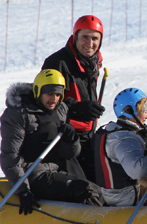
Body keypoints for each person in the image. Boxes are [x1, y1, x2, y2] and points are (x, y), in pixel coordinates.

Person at [0, 69, 104, 215]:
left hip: (57, 169)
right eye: (49, 94)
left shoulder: (61, 110)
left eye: (58, 95)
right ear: (38, 91)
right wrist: (22, 191)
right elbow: (10, 156)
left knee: (96, 190)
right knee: (87, 191)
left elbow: (70, 155)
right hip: (33, 174)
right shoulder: (18, 114)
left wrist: (71, 139)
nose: (54, 99)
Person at [42, 15, 106, 182]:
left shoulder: (93, 63)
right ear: (75, 36)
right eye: (85, 37)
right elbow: (44, 102)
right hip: (64, 137)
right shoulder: (57, 62)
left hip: (87, 135)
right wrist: (77, 108)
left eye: (95, 38)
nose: (90, 43)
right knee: (83, 185)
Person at [93, 88, 147, 206]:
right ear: (129, 112)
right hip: (129, 198)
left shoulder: (115, 131)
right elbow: (137, 170)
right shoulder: (124, 139)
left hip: (122, 194)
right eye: (143, 111)